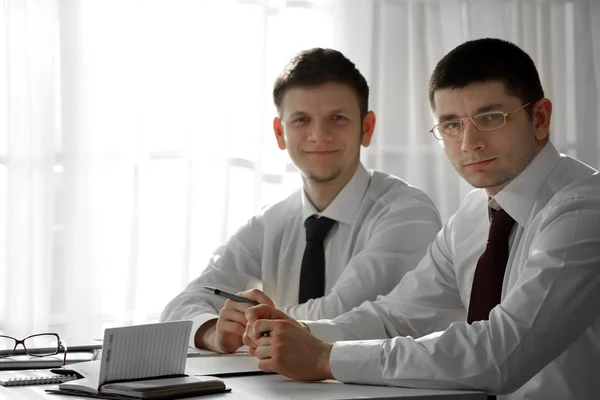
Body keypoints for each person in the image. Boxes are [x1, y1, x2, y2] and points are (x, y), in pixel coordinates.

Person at [243, 38, 600, 399]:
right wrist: (297, 331)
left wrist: (325, 358)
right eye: (452, 125)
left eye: (491, 118)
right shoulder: (473, 215)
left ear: (539, 118)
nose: (469, 142)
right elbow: (395, 318)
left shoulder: (586, 209)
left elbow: (501, 353)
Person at [160, 48, 442, 354]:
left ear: (367, 127)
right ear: (280, 133)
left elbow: (341, 315)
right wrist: (213, 330)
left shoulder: (407, 213)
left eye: (338, 118)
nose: (319, 135)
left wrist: (249, 323)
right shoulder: (270, 222)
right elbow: (181, 306)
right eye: (301, 120)